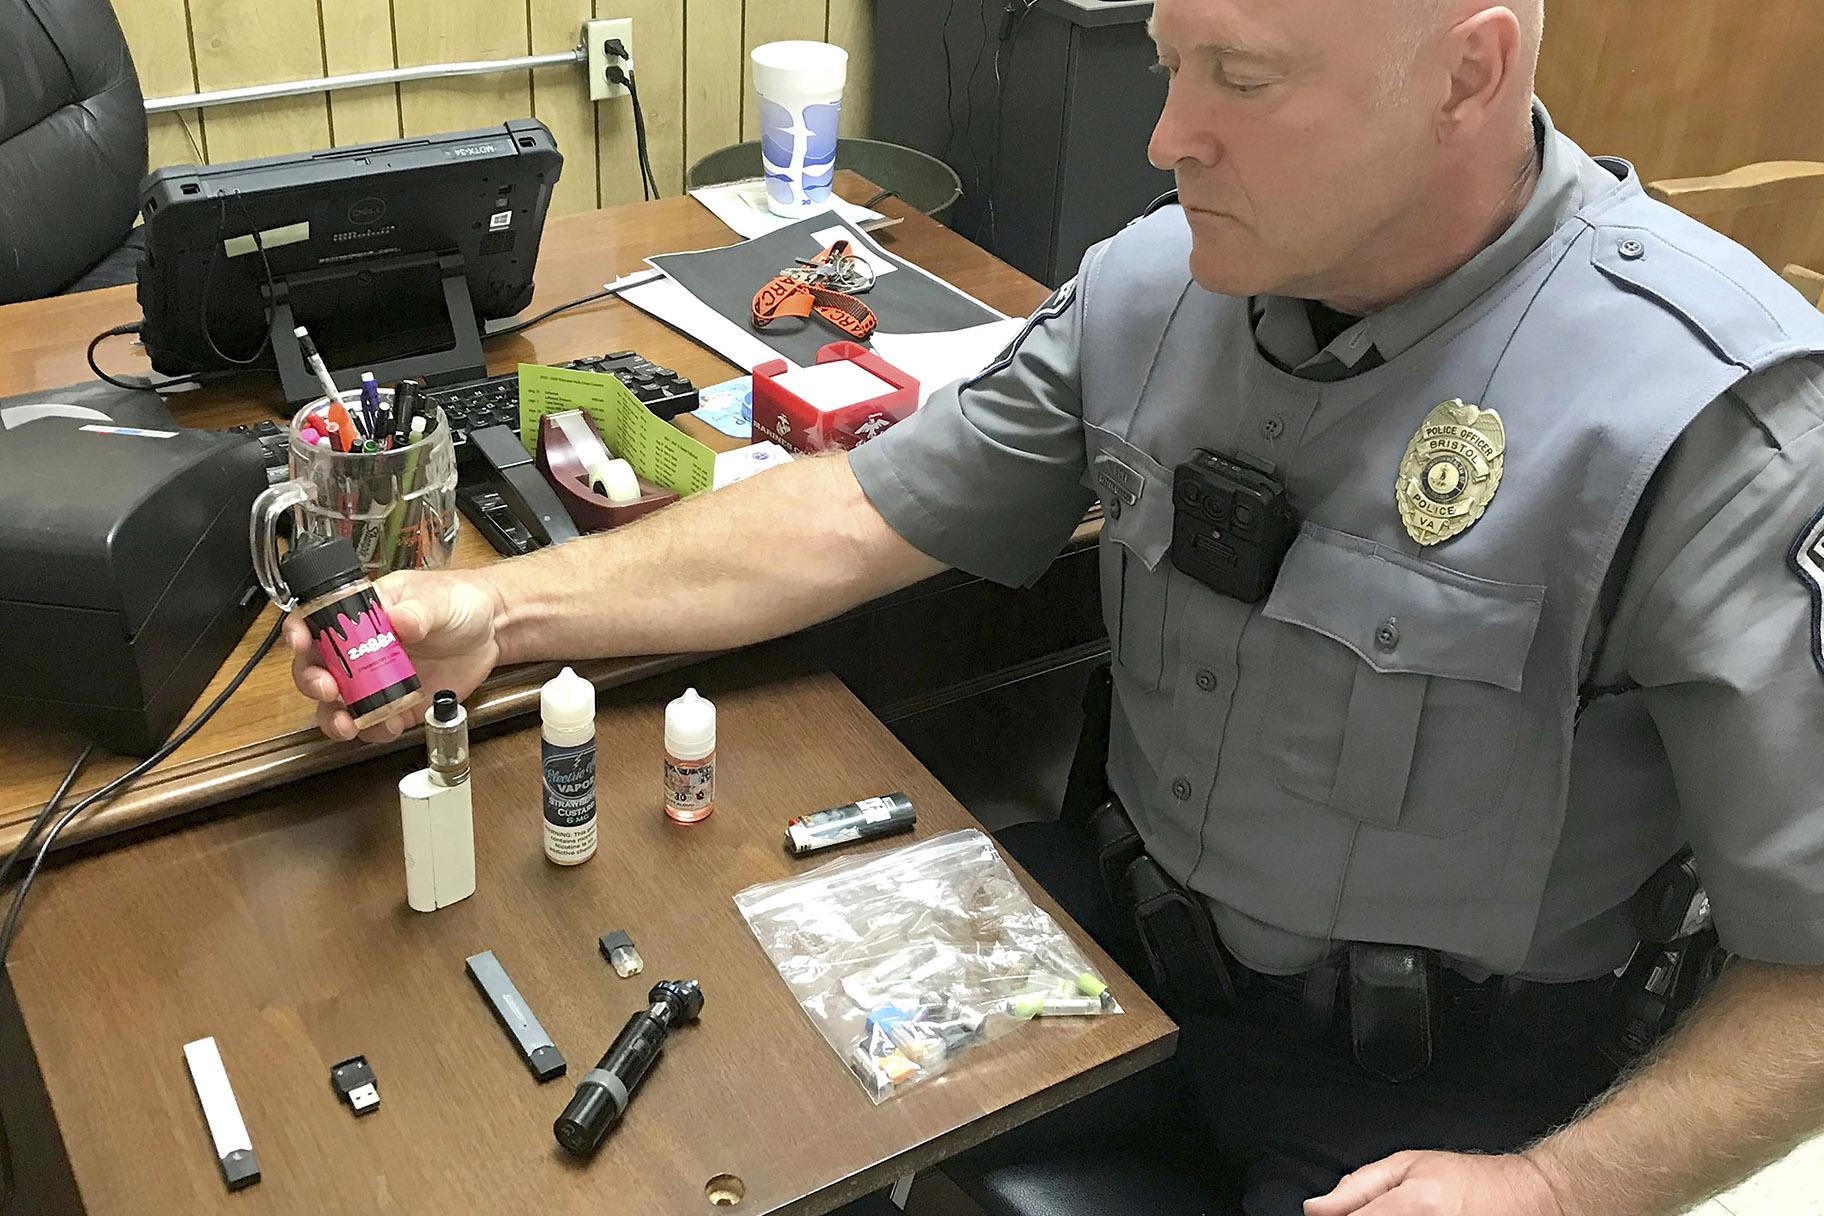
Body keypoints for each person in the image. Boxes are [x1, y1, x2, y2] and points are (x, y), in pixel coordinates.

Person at [290, 1, 1824, 1212]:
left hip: (1454, 1107)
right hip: (1115, 952)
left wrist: (1559, 1192)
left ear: (1466, 75)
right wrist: (503, 620)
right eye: (1168, 62)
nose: (1167, 137)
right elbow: (852, 513)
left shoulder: (1711, 418)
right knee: (683, 1098)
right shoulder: (1164, 284)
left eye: (1242, 76)